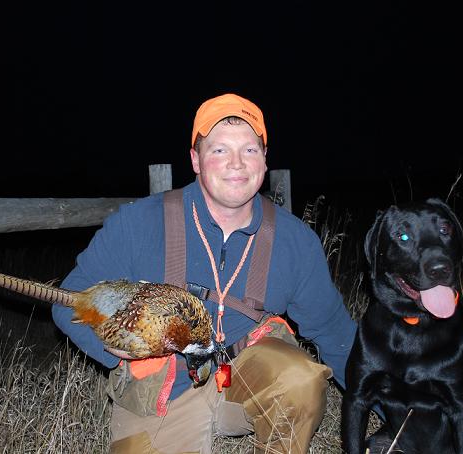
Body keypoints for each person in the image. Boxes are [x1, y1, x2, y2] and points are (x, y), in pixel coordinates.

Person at [52, 93, 357, 453]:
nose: (236, 164)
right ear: (195, 160)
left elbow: (337, 334)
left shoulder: (294, 241)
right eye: (219, 150)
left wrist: (397, 406)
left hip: (247, 377)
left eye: (249, 150)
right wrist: (121, 349)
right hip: (165, 387)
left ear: (264, 159)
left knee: (300, 379)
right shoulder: (138, 224)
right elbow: (69, 302)